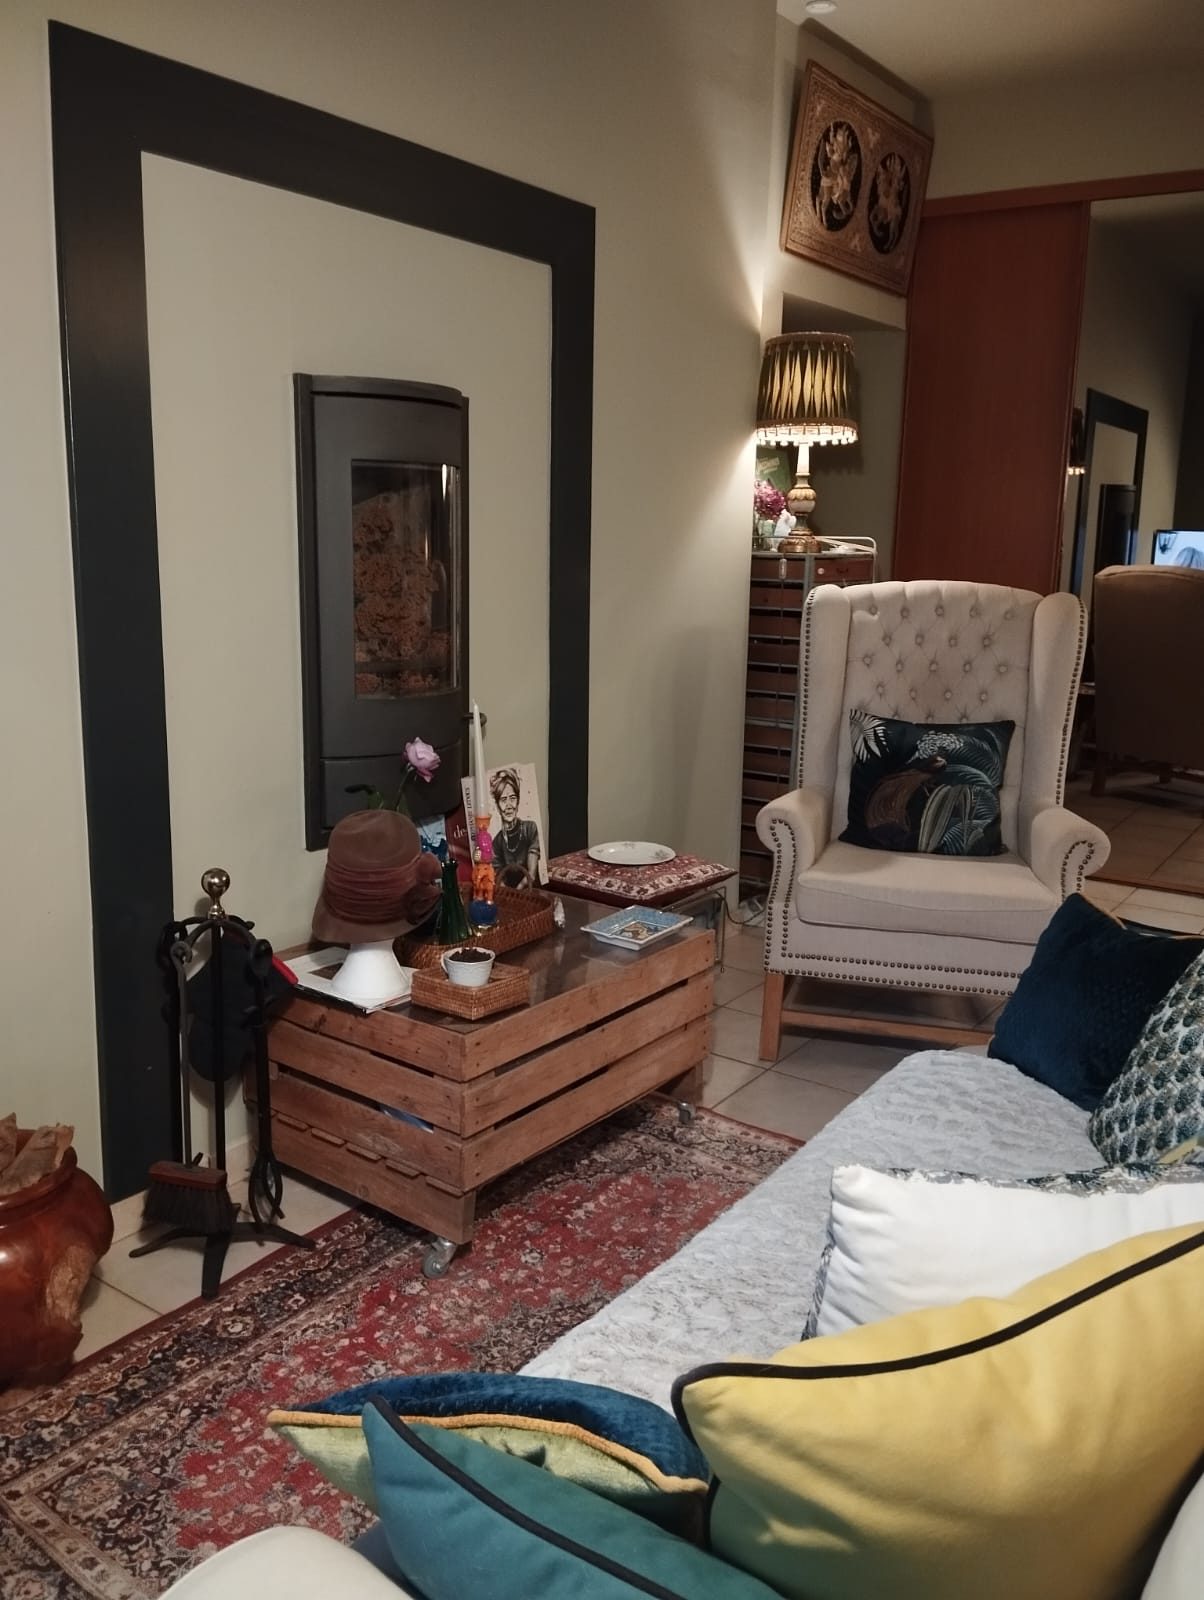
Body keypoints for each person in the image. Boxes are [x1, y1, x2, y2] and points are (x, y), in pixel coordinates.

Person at [489, 767, 541, 887]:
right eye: (503, 800)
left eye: (512, 798)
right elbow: (499, 880)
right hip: (509, 896)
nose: (508, 806)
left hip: (531, 892)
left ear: (518, 801)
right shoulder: (497, 842)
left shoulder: (530, 828)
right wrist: (511, 896)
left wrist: (518, 892)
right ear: (497, 806)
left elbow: (531, 875)